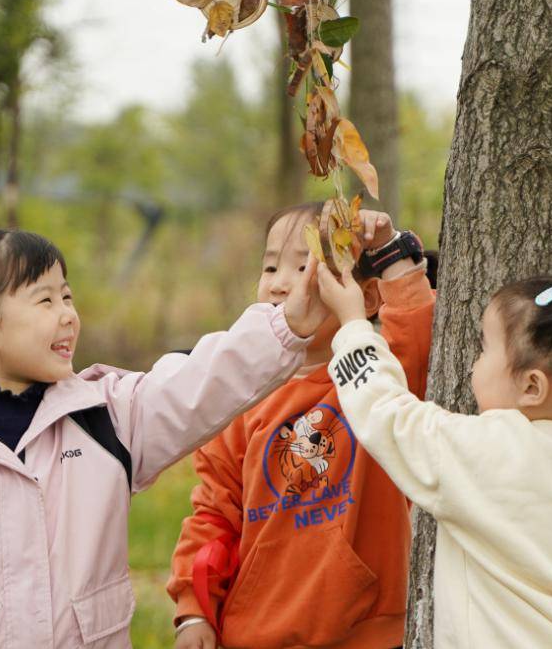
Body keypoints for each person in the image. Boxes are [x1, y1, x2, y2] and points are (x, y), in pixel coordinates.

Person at [0, 226, 329, 648]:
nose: (67, 314)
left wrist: (288, 326)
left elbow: (201, 382)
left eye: (67, 295)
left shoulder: (104, 418)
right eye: (43, 300)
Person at [316, 268, 552, 648]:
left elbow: (390, 417)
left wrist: (352, 326)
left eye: (485, 349)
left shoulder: (493, 449)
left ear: (532, 386)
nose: (473, 363)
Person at [168, 202, 435, 649]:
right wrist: (194, 612)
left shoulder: (374, 380)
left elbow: (417, 339)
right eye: (270, 266)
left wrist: (390, 249)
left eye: (306, 265)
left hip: (365, 632)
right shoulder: (239, 397)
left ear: (364, 297)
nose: (278, 284)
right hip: (256, 632)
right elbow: (214, 515)